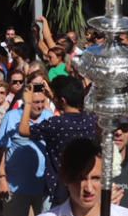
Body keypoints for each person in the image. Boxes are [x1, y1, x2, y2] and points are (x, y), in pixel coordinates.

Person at [19, 75, 97, 207]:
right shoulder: (91, 120)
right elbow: (70, 113)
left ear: (62, 100)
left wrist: (27, 103)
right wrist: (54, 98)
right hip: (85, 186)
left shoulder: (55, 124)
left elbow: (24, 130)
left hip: (58, 190)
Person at [0, 86, 51, 216]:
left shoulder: (49, 117)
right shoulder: (11, 117)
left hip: (44, 186)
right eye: (35, 102)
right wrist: (1, 178)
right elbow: (0, 150)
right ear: (27, 102)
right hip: (16, 185)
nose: (40, 106)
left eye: (42, 102)